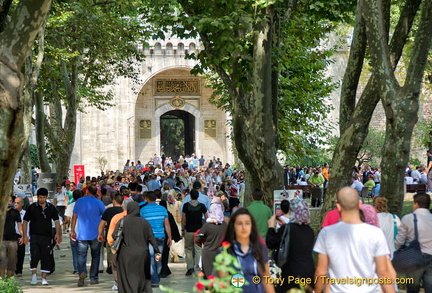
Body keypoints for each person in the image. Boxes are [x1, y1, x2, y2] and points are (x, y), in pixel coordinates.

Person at [314, 187, 395, 293]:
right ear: (360, 204)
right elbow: (383, 272)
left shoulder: (327, 233)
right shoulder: (376, 233)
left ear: (338, 206)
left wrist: (317, 290)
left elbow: (321, 271)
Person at [266, 198, 315, 293]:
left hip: (291, 274)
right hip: (309, 273)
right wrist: (286, 226)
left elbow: (270, 243)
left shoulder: (287, 229)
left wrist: (271, 226)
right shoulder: (309, 231)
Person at [221, 208, 275, 293]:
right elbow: (224, 283)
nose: (243, 227)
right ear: (233, 226)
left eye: (247, 223)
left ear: (251, 226)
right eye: (239, 224)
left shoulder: (259, 247)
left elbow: (266, 277)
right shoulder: (225, 251)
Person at [115, 201, 161, 293]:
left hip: (126, 254)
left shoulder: (123, 221)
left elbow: (115, 235)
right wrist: (157, 251)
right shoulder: (144, 222)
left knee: (126, 276)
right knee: (142, 275)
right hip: (142, 254)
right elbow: (152, 238)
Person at [22, 188, 62, 286]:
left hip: (47, 236)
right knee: (34, 255)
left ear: (46, 197)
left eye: (44, 197)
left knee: (46, 256)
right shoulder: (31, 208)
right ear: (37, 197)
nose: (42, 199)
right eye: (40, 197)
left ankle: (44, 278)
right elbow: (25, 222)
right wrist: (24, 236)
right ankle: (34, 275)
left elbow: (57, 221)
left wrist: (58, 234)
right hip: (34, 236)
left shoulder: (51, 208)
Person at [395, 193, 432, 293]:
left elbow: (399, 241)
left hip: (414, 258)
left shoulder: (408, 218)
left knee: (412, 288)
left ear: (416, 204)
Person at [71, 185, 105, 287]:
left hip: (82, 234)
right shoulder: (99, 202)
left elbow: (74, 216)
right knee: (95, 256)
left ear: (86, 192)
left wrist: (72, 230)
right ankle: (94, 278)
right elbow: (104, 216)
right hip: (95, 234)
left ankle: (82, 272)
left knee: (81, 255)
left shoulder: (79, 201)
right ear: (96, 193)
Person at [139, 191, 172, 287]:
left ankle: (154, 279)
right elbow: (167, 224)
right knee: (158, 258)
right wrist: (169, 237)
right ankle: (156, 277)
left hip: (149, 238)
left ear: (147, 199)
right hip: (160, 237)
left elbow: (142, 225)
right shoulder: (162, 209)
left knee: (151, 258)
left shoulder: (143, 210)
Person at [196, 203, 227, 277]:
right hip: (221, 253)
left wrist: (202, 244)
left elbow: (198, 238)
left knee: (208, 276)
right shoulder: (225, 225)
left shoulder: (207, 226)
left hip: (208, 253)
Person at [182, 189, 208, 276]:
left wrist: (182, 229)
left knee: (188, 249)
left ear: (190, 196)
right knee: (198, 249)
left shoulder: (186, 206)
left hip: (189, 230)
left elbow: (183, 218)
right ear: (198, 196)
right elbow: (207, 217)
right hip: (198, 231)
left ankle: (190, 267)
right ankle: (197, 267)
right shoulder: (202, 206)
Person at [97, 193, 124, 275]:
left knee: (110, 252)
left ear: (114, 201)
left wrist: (100, 234)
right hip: (123, 235)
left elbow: (102, 224)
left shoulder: (108, 210)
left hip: (111, 235)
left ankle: (111, 267)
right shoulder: (124, 211)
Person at [0, 195, 23, 278]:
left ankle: (9, 280)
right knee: (2, 260)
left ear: (12, 202)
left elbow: (19, 224)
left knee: (12, 261)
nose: (8, 202)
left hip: (13, 240)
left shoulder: (15, 212)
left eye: (10, 200)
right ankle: (2, 280)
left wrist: (22, 235)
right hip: (2, 239)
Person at [65, 189, 83, 275]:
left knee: (74, 250)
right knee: (82, 251)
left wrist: (68, 224)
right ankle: (82, 267)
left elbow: (67, 218)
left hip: (73, 231)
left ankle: (76, 268)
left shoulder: (70, 206)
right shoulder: (84, 206)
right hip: (83, 231)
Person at [14, 196, 26, 276]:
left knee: (21, 253)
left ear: (22, 204)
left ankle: (19, 270)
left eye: (18, 203)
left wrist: (25, 236)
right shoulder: (11, 212)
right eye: (15, 202)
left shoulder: (25, 214)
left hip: (22, 235)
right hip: (12, 235)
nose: (15, 204)